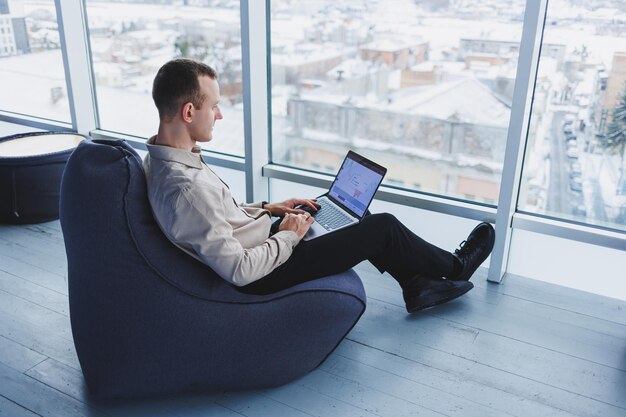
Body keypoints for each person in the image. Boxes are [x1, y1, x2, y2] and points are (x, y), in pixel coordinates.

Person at [143, 59, 495, 313]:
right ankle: (456, 266)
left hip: (262, 239)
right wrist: (289, 236)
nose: (220, 115)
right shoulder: (186, 188)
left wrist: (270, 210)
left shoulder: (165, 157)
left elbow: (216, 219)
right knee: (382, 227)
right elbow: (240, 270)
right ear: (188, 113)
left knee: (350, 213)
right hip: (264, 273)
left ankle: (417, 285)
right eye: (214, 107)